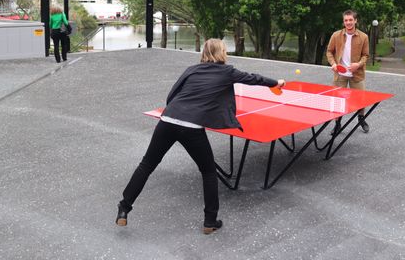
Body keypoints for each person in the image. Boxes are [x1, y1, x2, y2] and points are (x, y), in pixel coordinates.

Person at [116, 39, 285, 234]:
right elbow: (254, 79)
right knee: (208, 172)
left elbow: (172, 94)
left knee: (146, 165)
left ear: (204, 52)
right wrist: (277, 82)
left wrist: (178, 111)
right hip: (191, 127)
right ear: (222, 52)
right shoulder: (228, 71)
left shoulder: (192, 69)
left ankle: (124, 208)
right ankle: (210, 221)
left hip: (168, 120)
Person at [326, 9, 370, 133]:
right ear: (343, 22)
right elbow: (329, 52)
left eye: (351, 20)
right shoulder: (336, 35)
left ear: (355, 21)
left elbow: (366, 55)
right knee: (338, 100)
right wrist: (334, 64)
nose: (348, 22)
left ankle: (361, 118)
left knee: (361, 99)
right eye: (346, 20)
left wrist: (358, 64)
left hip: (357, 74)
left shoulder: (364, 37)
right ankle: (338, 123)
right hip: (340, 74)